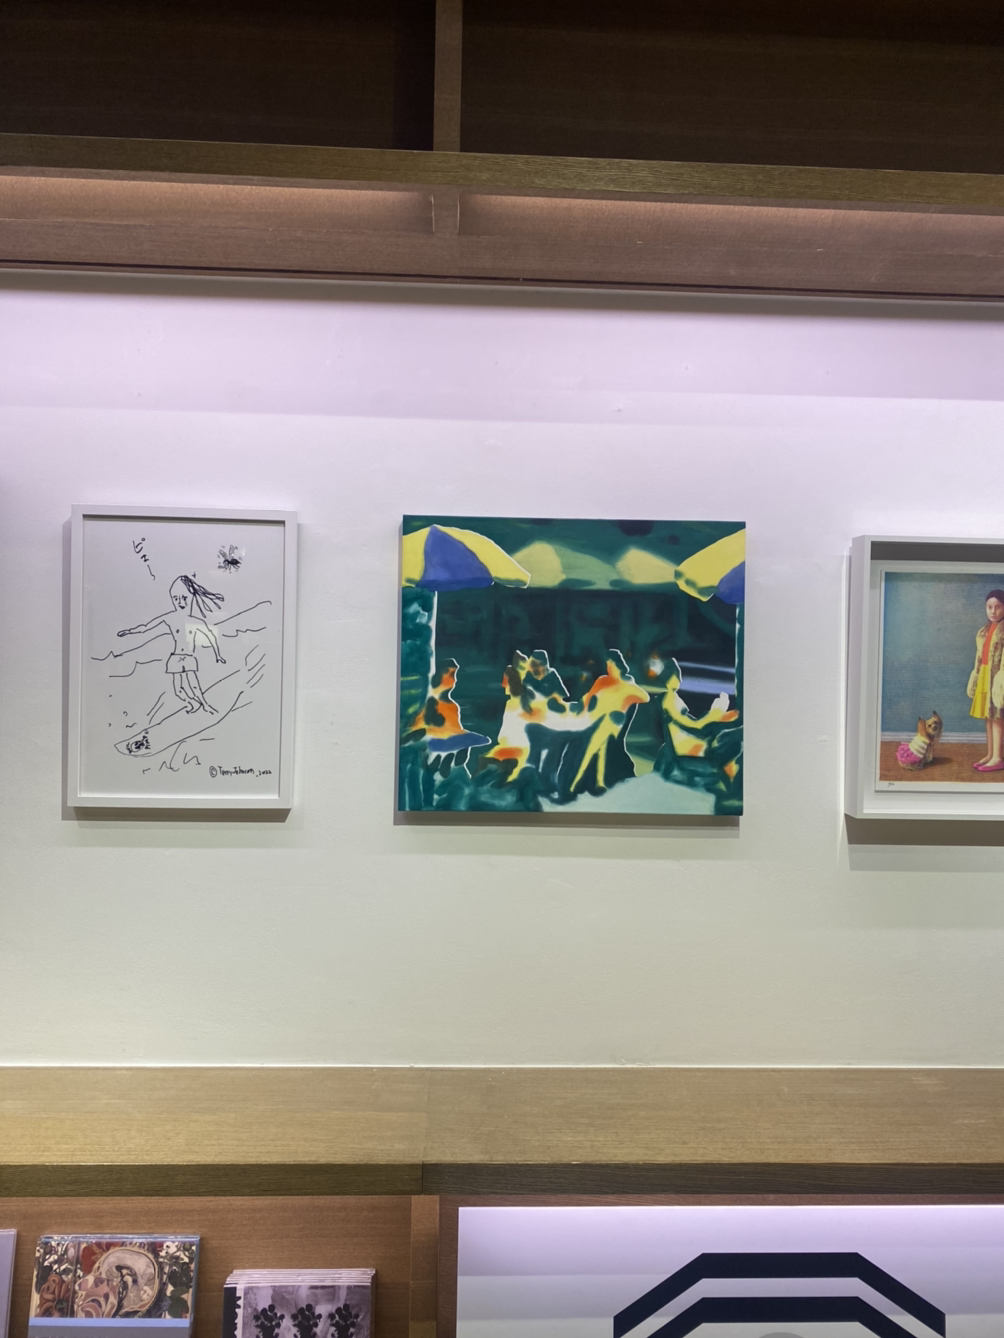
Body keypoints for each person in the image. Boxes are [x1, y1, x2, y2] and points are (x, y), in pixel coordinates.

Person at [117, 574, 226, 714]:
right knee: (178, 690)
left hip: (189, 657)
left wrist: (218, 655)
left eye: (184, 598)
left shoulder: (196, 621)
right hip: (175, 657)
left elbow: (211, 637)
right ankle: (192, 703)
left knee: (194, 685)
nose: (180, 602)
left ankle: (204, 704)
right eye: (176, 598)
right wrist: (129, 631)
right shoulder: (169, 618)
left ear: (191, 597)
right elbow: (146, 627)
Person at [967, 588, 1004, 771]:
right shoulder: (984, 631)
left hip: (998, 678)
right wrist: (976, 674)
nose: (993, 611)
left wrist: (1001, 679)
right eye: (989, 607)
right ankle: (990, 753)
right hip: (984, 675)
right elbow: (979, 656)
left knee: (997, 716)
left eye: (998, 607)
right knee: (988, 716)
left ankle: (998, 757)